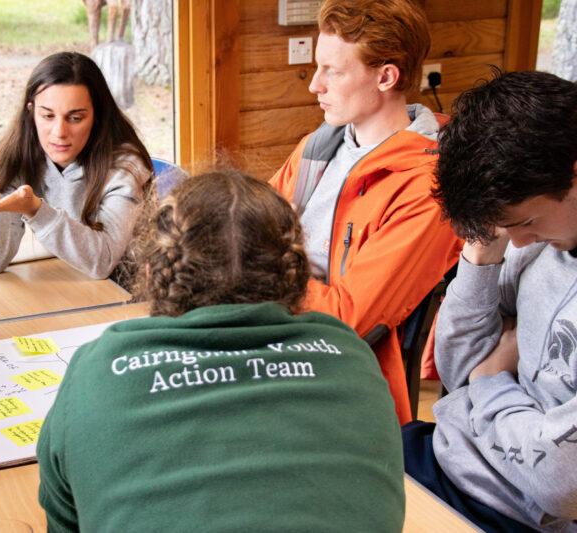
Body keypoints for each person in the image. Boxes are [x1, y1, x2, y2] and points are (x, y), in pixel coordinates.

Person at [37, 171, 405, 532]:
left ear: (150, 274)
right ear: (297, 277)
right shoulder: (352, 356)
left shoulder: (98, 368)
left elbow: (64, 521)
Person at [269, 0, 462, 424]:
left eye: (332, 71)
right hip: (275, 332)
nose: (314, 85)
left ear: (386, 77)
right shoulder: (317, 148)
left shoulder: (428, 189)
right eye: (317, 67)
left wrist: (254, 275)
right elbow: (247, 228)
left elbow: (348, 318)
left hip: (337, 376)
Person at [403, 70, 577, 533]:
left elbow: (561, 484)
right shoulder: (535, 240)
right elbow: (455, 367)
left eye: (525, 222)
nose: (517, 242)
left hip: (521, 515)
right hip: (443, 455)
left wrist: (489, 378)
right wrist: (483, 253)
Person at [0, 51, 152, 279]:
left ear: (97, 116)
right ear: (31, 112)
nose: (59, 132)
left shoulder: (125, 168)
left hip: (127, 290)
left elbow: (104, 261)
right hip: (72, 283)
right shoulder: (21, 157)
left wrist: (36, 210)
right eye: (47, 116)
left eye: (75, 118)